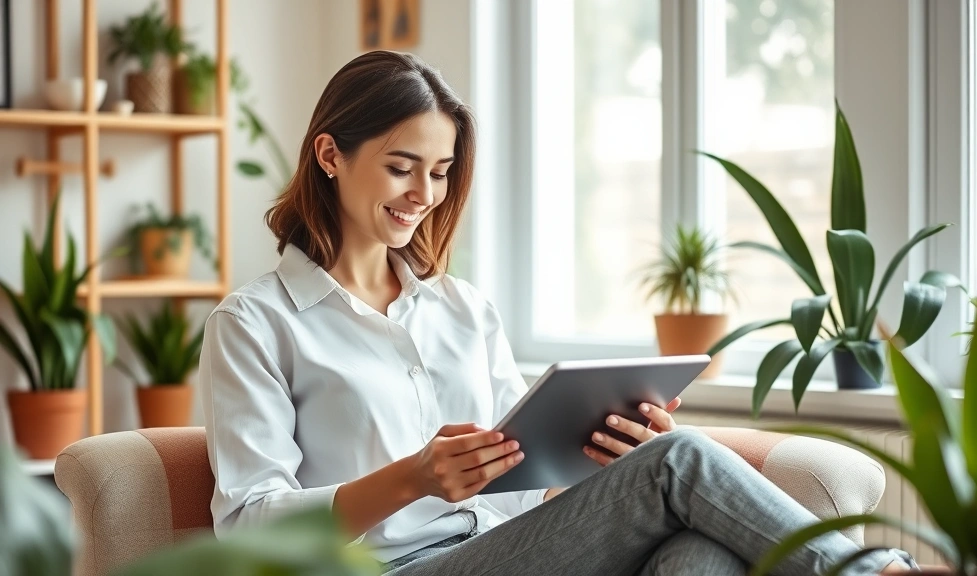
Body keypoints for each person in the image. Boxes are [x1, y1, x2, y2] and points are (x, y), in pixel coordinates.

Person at [198, 50, 919, 575]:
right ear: (330, 154)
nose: (424, 193)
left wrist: (605, 448)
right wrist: (412, 479)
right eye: (401, 165)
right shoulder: (257, 323)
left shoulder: (461, 309)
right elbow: (248, 528)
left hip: (506, 554)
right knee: (681, 463)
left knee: (696, 558)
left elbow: (522, 477)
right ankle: (875, 573)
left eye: (442, 173)